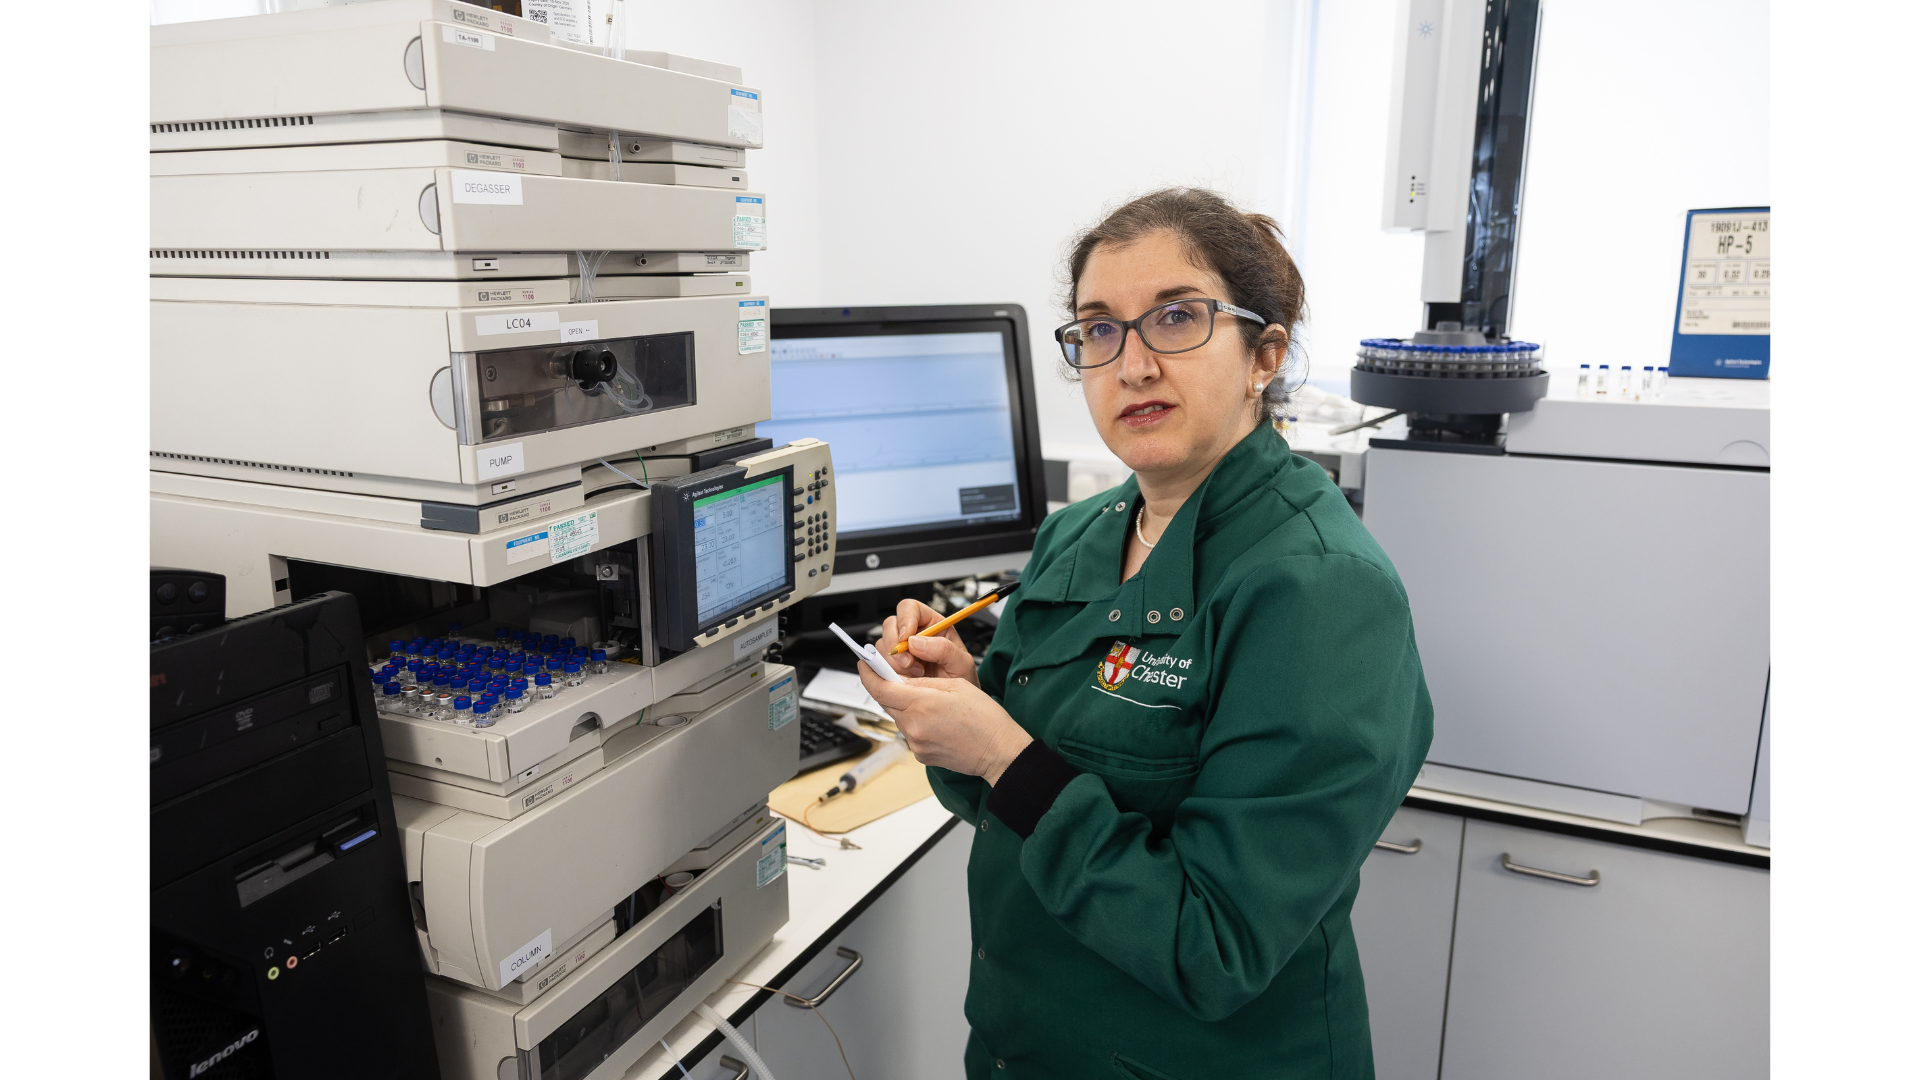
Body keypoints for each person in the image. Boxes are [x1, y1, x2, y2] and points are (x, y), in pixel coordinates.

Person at [857, 187, 1433, 1079]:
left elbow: (1217, 947)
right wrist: (963, 703)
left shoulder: (1321, 591)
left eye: (1175, 318)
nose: (1131, 364)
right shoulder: (1079, 535)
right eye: (1098, 329)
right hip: (1027, 1046)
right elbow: (998, 802)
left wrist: (1007, 754)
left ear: (1263, 356)